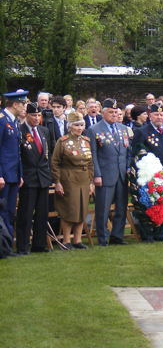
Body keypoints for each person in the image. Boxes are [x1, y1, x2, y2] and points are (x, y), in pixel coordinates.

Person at [87, 99, 130, 246]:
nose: (114, 114)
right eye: (110, 112)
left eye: (115, 112)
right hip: (105, 175)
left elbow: (127, 152)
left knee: (121, 208)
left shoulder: (123, 128)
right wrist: (96, 175)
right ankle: (103, 237)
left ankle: (117, 236)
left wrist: (128, 169)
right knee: (103, 208)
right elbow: (93, 155)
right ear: (103, 112)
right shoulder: (94, 129)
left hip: (122, 174)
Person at [51, 112, 94, 249]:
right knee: (70, 210)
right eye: (76, 125)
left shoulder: (86, 141)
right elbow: (55, 162)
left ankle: (77, 240)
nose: (79, 128)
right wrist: (57, 182)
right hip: (68, 178)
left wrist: (91, 181)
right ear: (70, 126)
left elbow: (91, 163)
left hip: (84, 179)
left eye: (81, 125)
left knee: (82, 210)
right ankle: (66, 241)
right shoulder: (62, 141)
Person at [131, 103, 163, 241]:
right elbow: (136, 152)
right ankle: (147, 234)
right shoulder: (142, 131)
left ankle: (160, 233)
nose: (159, 117)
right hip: (148, 175)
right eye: (156, 114)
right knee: (147, 203)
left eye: (162, 114)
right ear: (150, 116)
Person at [16, 102, 52, 254]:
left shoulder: (44, 131)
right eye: (33, 115)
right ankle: (23, 246)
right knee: (25, 214)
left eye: (38, 115)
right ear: (26, 115)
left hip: (43, 177)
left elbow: (47, 154)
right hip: (28, 177)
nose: (37, 118)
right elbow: (18, 156)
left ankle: (39, 244)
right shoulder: (20, 131)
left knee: (42, 214)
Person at [0, 89, 28, 245]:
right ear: (15, 104)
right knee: (3, 211)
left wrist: (20, 174)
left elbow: (16, 152)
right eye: (23, 103)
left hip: (13, 175)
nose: (25, 107)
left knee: (10, 212)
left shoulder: (13, 121)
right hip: (4, 175)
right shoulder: (2, 120)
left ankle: (7, 246)